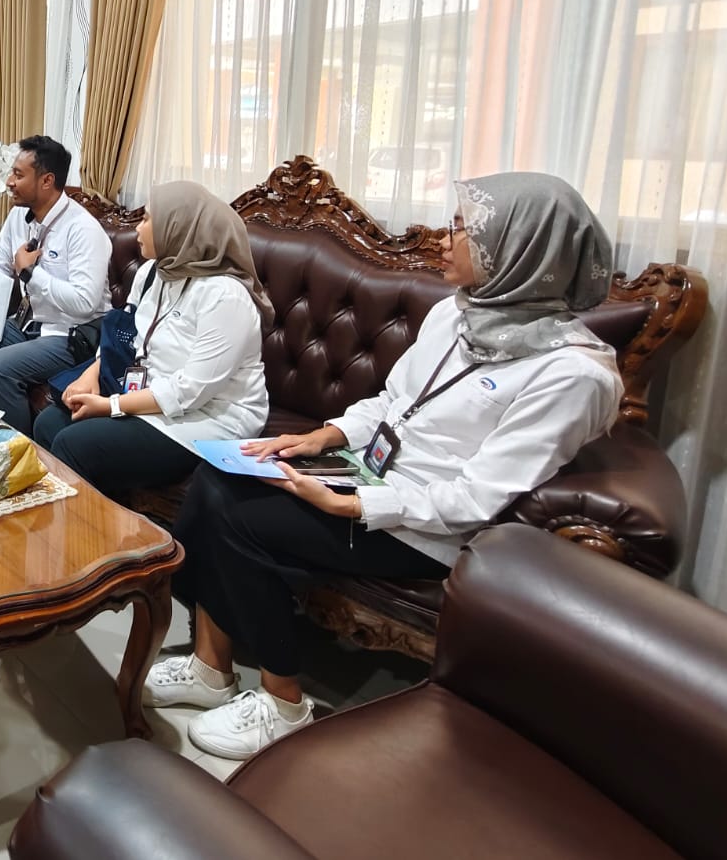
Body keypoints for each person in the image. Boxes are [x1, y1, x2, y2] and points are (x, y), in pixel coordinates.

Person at [144, 172, 623, 761]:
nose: (442, 238)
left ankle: (285, 704)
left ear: (519, 250)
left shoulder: (574, 374)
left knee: (240, 520)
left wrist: (353, 505)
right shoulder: (457, 313)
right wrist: (322, 436)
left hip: (422, 527)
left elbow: (476, 498)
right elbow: (392, 402)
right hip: (365, 471)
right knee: (221, 475)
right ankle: (210, 667)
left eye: (462, 229)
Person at [32, 181, 270, 497]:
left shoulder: (225, 296)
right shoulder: (153, 273)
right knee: (49, 424)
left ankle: (94, 526)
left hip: (207, 419)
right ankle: (97, 515)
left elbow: (191, 390)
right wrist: (91, 375)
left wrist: (110, 405)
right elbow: (126, 338)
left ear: (177, 229)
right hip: (149, 394)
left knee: (74, 444)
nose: (137, 228)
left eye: (146, 219)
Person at [0, 135, 112, 434]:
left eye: (18, 175)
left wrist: (31, 274)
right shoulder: (18, 217)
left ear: (47, 181)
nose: (9, 182)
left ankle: (15, 451)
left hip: (69, 336)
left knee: (0, 367)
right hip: (26, 326)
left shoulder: (83, 230)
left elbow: (85, 303)